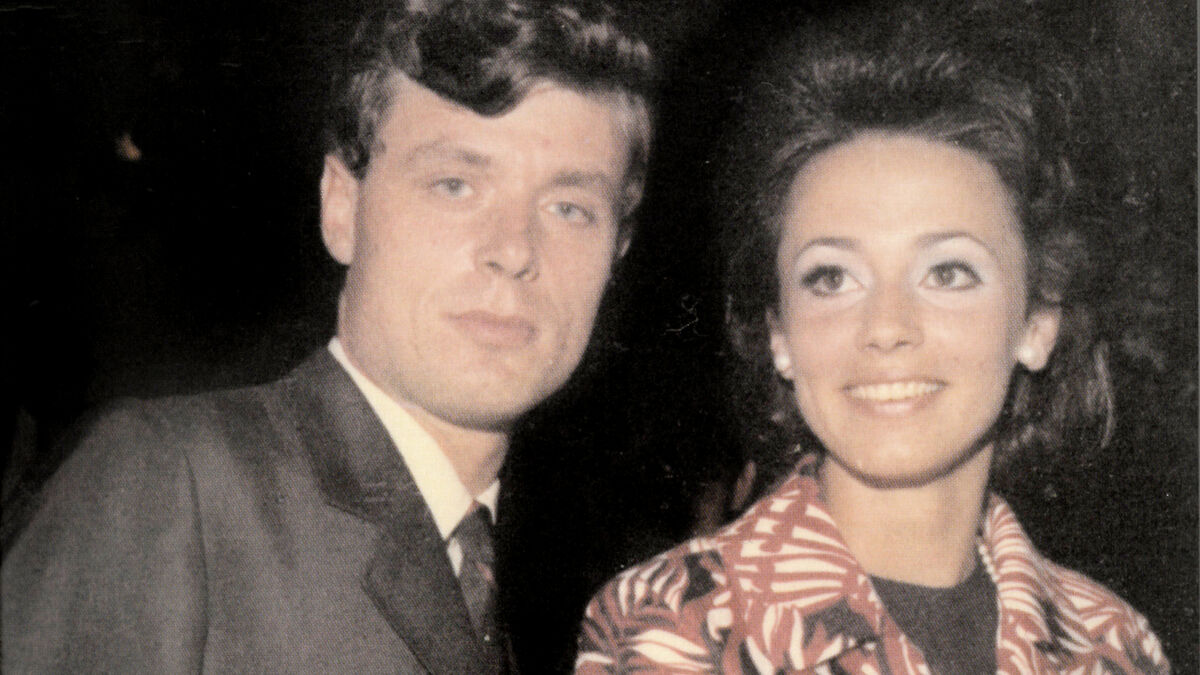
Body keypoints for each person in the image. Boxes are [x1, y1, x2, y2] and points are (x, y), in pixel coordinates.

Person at [2, 0, 654, 671]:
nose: (514, 250)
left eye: (570, 208)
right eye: (455, 185)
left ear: (616, 256)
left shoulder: (536, 600)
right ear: (342, 206)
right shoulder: (169, 485)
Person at [575, 7, 1169, 674]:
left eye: (948, 272)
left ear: (1037, 322)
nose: (886, 327)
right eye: (831, 278)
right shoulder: (674, 624)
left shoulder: (1115, 643)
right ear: (779, 334)